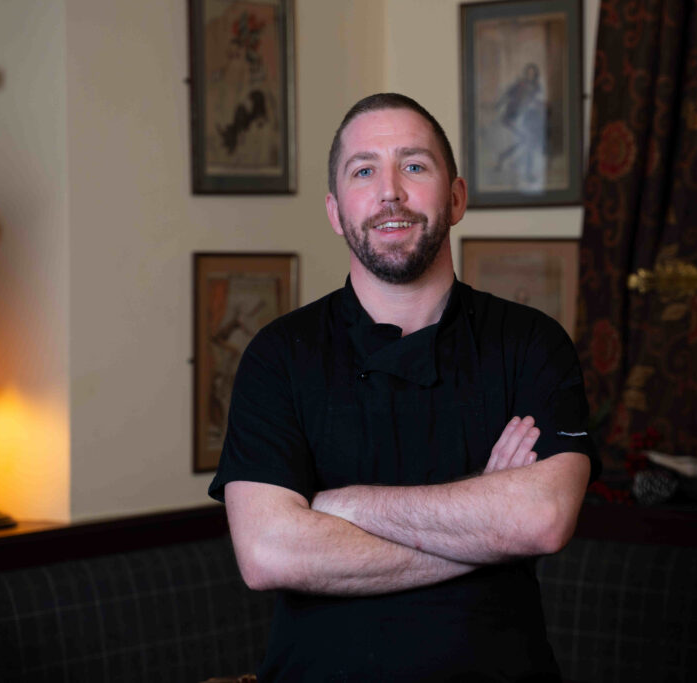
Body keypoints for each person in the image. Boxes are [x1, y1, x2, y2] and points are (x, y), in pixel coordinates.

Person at [208, 92, 599, 682]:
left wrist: (342, 506)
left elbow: (541, 519)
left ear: (457, 198)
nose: (390, 191)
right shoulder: (278, 355)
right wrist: (487, 524)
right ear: (336, 211)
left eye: (414, 165)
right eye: (364, 171)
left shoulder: (532, 343)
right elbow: (268, 553)